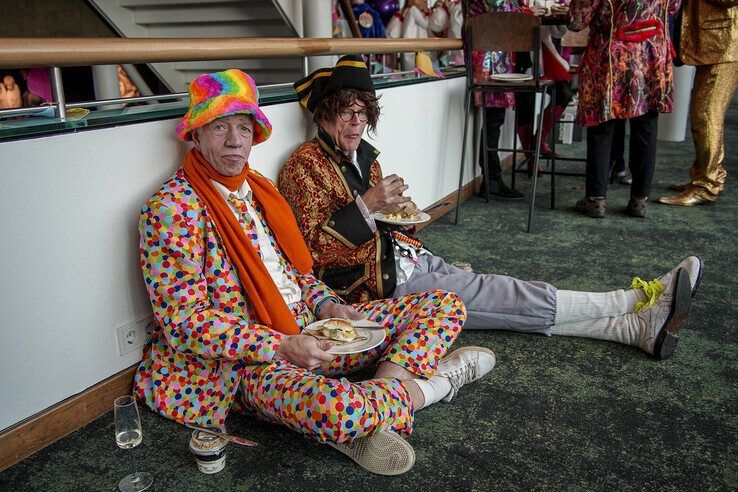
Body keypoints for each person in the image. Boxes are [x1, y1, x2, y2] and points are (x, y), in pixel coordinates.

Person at [133, 68, 496, 476]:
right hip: (251, 362)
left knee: (445, 306)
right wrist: (281, 346)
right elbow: (182, 321)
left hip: (315, 331)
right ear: (196, 134)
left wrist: (326, 306)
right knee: (340, 409)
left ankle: (374, 407)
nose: (235, 140)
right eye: (220, 127)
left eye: (244, 127)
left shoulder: (260, 189)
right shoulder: (170, 209)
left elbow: (296, 271)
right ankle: (434, 385)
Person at [279, 55, 702, 361]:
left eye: (363, 113)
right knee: (504, 293)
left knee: (499, 300)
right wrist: (369, 206)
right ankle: (628, 300)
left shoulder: (364, 156)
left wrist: (401, 214)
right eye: (346, 113)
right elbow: (312, 253)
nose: (356, 123)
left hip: (409, 260)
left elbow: (386, 226)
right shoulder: (303, 166)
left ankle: (631, 330)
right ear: (324, 114)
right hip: (374, 287)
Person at [568, 0, 682, 218]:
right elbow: (674, 7)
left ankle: (596, 199)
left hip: (610, 56)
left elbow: (576, 21)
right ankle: (640, 199)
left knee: (601, 125)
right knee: (646, 126)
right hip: (651, 56)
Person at [658, 0, 738, 206]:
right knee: (704, 114)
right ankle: (708, 177)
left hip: (725, 46)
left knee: (706, 116)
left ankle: (705, 186)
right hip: (712, 42)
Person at [467, 0, 525, 200]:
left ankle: (491, 179)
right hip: (490, 59)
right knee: (493, 121)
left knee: (493, 121)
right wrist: (524, 10)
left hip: (489, 54)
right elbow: (506, 13)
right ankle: (491, 180)